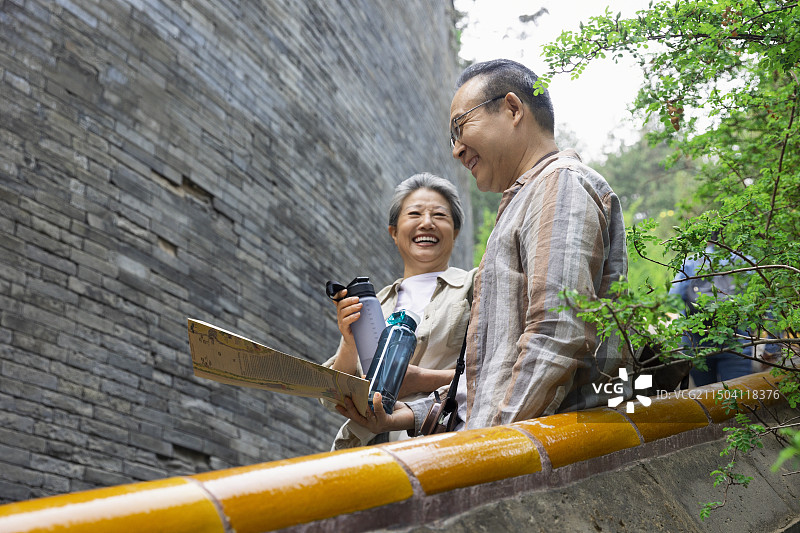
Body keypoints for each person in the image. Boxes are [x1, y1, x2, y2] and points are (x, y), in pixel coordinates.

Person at [336, 58, 629, 435]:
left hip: (526, 453)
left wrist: (490, 447)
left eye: (460, 127)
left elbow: (557, 334)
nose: (456, 151)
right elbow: (488, 378)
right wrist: (404, 416)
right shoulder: (527, 201)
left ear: (512, 109)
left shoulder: (559, 186)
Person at [324, 173, 476, 449]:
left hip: (439, 447)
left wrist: (421, 380)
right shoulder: (375, 303)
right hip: (366, 453)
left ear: (455, 231)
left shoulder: (475, 286)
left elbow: (496, 370)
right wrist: (348, 342)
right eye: (415, 214)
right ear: (393, 232)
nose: (427, 223)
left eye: (439, 215)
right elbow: (334, 398)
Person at [669, 237, 754, 386]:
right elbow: (764, 300)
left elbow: (673, 298)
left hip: (697, 342)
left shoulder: (690, 263)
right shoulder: (745, 261)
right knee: (737, 393)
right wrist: (771, 347)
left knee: (706, 395)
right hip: (737, 340)